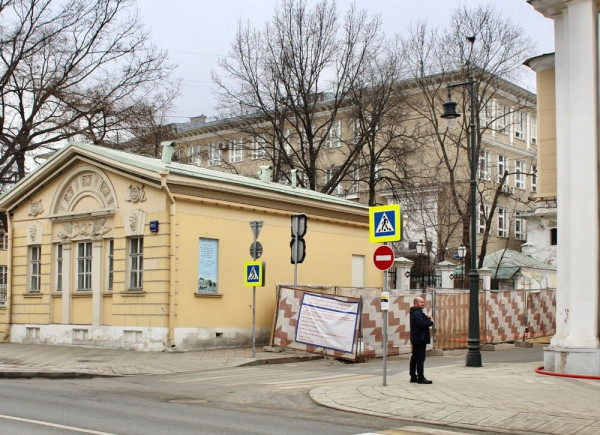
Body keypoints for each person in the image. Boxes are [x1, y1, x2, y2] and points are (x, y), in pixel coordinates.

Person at [409, 296, 434, 384]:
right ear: (416, 303)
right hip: (420, 339)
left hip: (416, 338)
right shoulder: (417, 313)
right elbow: (421, 324)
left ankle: (413, 376)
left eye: (423, 302)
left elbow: (420, 321)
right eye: (421, 302)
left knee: (415, 357)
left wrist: (427, 318)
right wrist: (431, 322)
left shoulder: (415, 313)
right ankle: (421, 377)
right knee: (420, 358)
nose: (423, 304)